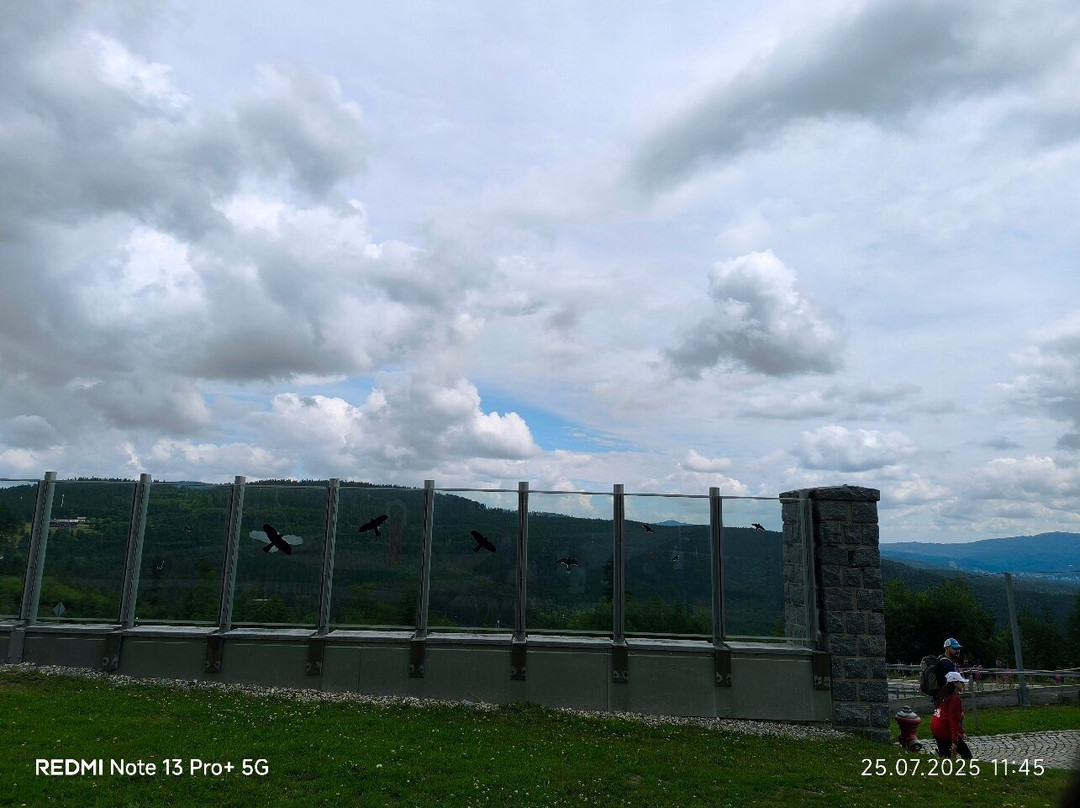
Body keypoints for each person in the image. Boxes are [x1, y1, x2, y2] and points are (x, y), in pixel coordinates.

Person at [931, 671, 972, 759]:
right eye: (961, 682)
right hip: (945, 730)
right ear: (954, 683)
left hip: (936, 727)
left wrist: (961, 731)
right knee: (967, 756)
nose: (963, 685)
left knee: (946, 756)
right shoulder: (955, 699)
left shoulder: (943, 694)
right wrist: (954, 741)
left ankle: (938, 755)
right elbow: (954, 720)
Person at [934, 638, 963, 704]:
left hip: (940, 697)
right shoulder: (947, 664)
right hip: (946, 699)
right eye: (955, 649)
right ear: (947, 649)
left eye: (958, 649)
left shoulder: (940, 659)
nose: (958, 651)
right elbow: (953, 684)